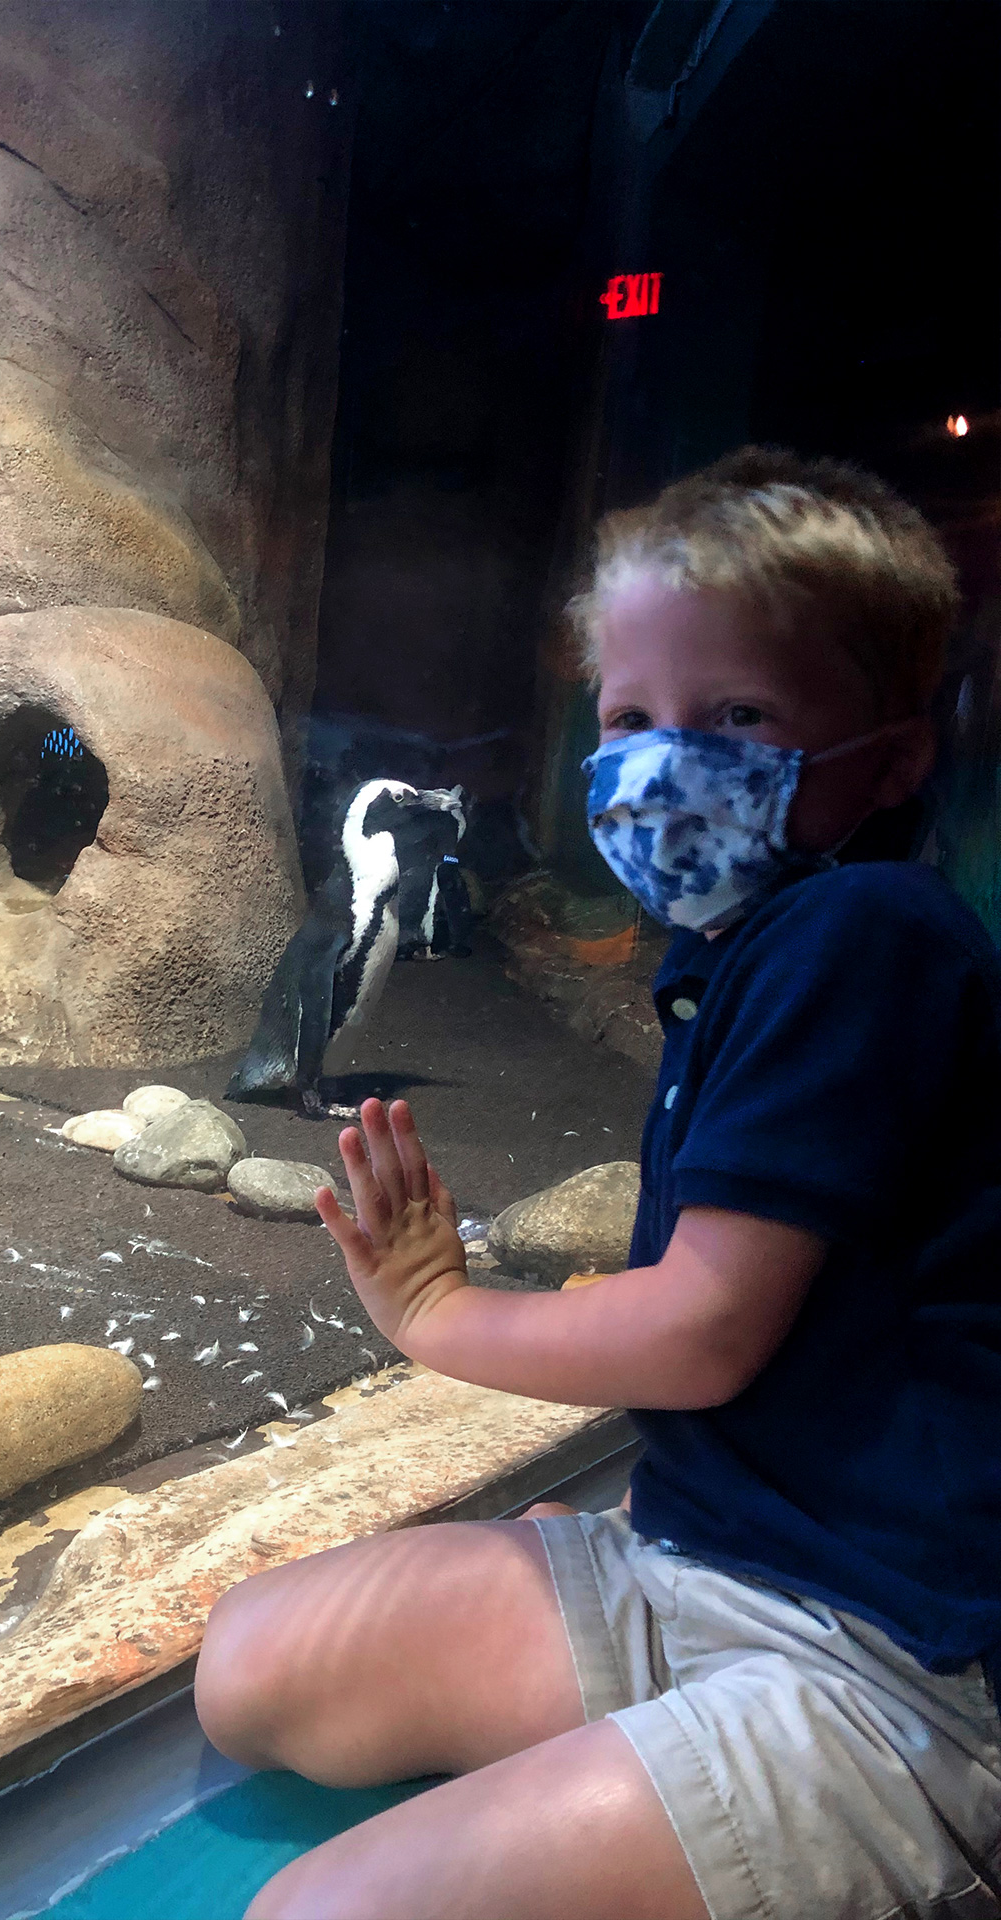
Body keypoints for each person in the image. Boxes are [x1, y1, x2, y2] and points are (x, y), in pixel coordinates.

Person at [193, 448, 1001, 1920]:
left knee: (311, 1915)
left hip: (884, 1664)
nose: (659, 761)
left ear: (891, 760)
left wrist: (443, 1314)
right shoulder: (749, 952)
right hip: (701, 1560)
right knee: (249, 1670)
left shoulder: (866, 933)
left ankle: (918, 1839)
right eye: (629, 717)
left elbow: (702, 1330)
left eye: (738, 716)